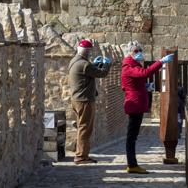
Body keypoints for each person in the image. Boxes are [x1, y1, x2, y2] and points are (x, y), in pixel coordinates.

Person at [121, 41, 175, 174]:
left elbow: (128, 84)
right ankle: (132, 165)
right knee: (131, 137)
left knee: (133, 136)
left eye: (140, 50)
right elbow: (144, 73)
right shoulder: (128, 66)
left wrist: (143, 87)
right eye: (136, 51)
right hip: (135, 104)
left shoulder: (133, 64)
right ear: (130, 53)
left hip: (136, 102)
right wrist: (161, 61)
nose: (139, 53)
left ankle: (132, 164)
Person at [68, 39, 111, 164]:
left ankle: (82, 154)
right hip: (84, 100)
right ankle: (81, 156)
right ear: (86, 51)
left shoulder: (75, 61)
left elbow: (89, 72)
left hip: (77, 99)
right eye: (90, 51)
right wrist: (106, 64)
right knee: (85, 128)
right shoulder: (84, 64)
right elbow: (102, 74)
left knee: (82, 128)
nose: (90, 54)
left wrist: (95, 64)